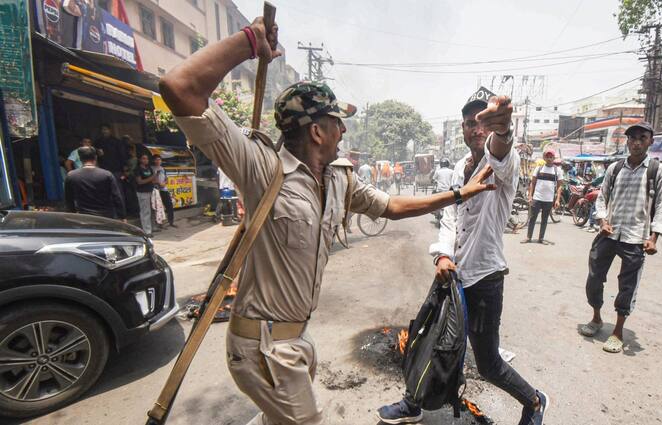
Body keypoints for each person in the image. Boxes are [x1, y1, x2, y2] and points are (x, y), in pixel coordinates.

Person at [159, 17, 496, 425]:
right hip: (261, 346)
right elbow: (179, 88)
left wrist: (459, 194)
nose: (344, 128)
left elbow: (392, 206)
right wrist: (249, 42)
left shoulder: (338, 178)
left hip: (297, 338)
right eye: (338, 121)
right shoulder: (262, 167)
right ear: (317, 131)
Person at [378, 86, 548, 425]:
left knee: (487, 365)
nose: (477, 128)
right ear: (463, 128)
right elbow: (451, 216)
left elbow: (500, 149)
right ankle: (413, 403)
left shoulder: (504, 164)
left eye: (483, 122)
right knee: (427, 338)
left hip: (485, 279)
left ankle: (534, 400)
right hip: (451, 275)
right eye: (470, 122)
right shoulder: (459, 167)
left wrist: (503, 129)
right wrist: (442, 254)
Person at [577, 122, 662, 354]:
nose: (636, 142)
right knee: (594, 278)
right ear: (627, 141)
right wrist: (602, 221)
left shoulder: (658, 171)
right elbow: (601, 198)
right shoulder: (615, 168)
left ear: (650, 141)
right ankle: (596, 318)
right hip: (609, 232)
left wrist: (654, 237)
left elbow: (661, 206)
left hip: (636, 238)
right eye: (632, 138)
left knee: (627, 286)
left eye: (642, 137)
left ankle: (617, 331)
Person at [64, 146, 126, 220]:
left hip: (83, 218)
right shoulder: (106, 175)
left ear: (80, 159)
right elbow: (117, 197)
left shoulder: (71, 176)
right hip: (106, 218)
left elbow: (68, 199)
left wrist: (73, 214)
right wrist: (122, 217)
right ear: (95, 158)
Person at [522, 150, 563, 244]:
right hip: (537, 198)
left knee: (544, 220)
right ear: (544, 158)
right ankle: (528, 237)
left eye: (551, 157)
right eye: (547, 157)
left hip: (548, 200)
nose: (549, 159)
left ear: (553, 158)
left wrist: (557, 200)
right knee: (532, 218)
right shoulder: (539, 169)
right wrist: (530, 196)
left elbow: (560, 186)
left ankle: (541, 238)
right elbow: (533, 183)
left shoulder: (558, 170)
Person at [133, 153, 157, 236]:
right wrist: (152, 177)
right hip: (142, 192)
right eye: (143, 158)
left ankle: (152, 227)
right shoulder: (137, 169)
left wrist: (154, 179)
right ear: (140, 160)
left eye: (146, 159)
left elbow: (153, 179)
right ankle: (147, 231)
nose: (145, 160)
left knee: (152, 210)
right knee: (145, 212)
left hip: (151, 191)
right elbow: (140, 182)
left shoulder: (149, 168)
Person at [152, 155, 176, 228]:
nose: (158, 161)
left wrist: (164, 183)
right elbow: (152, 179)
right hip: (156, 190)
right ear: (153, 161)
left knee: (169, 205)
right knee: (158, 207)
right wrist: (159, 183)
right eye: (156, 160)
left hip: (164, 189)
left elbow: (166, 179)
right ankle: (160, 224)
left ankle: (171, 222)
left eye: (159, 160)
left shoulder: (163, 169)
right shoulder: (152, 168)